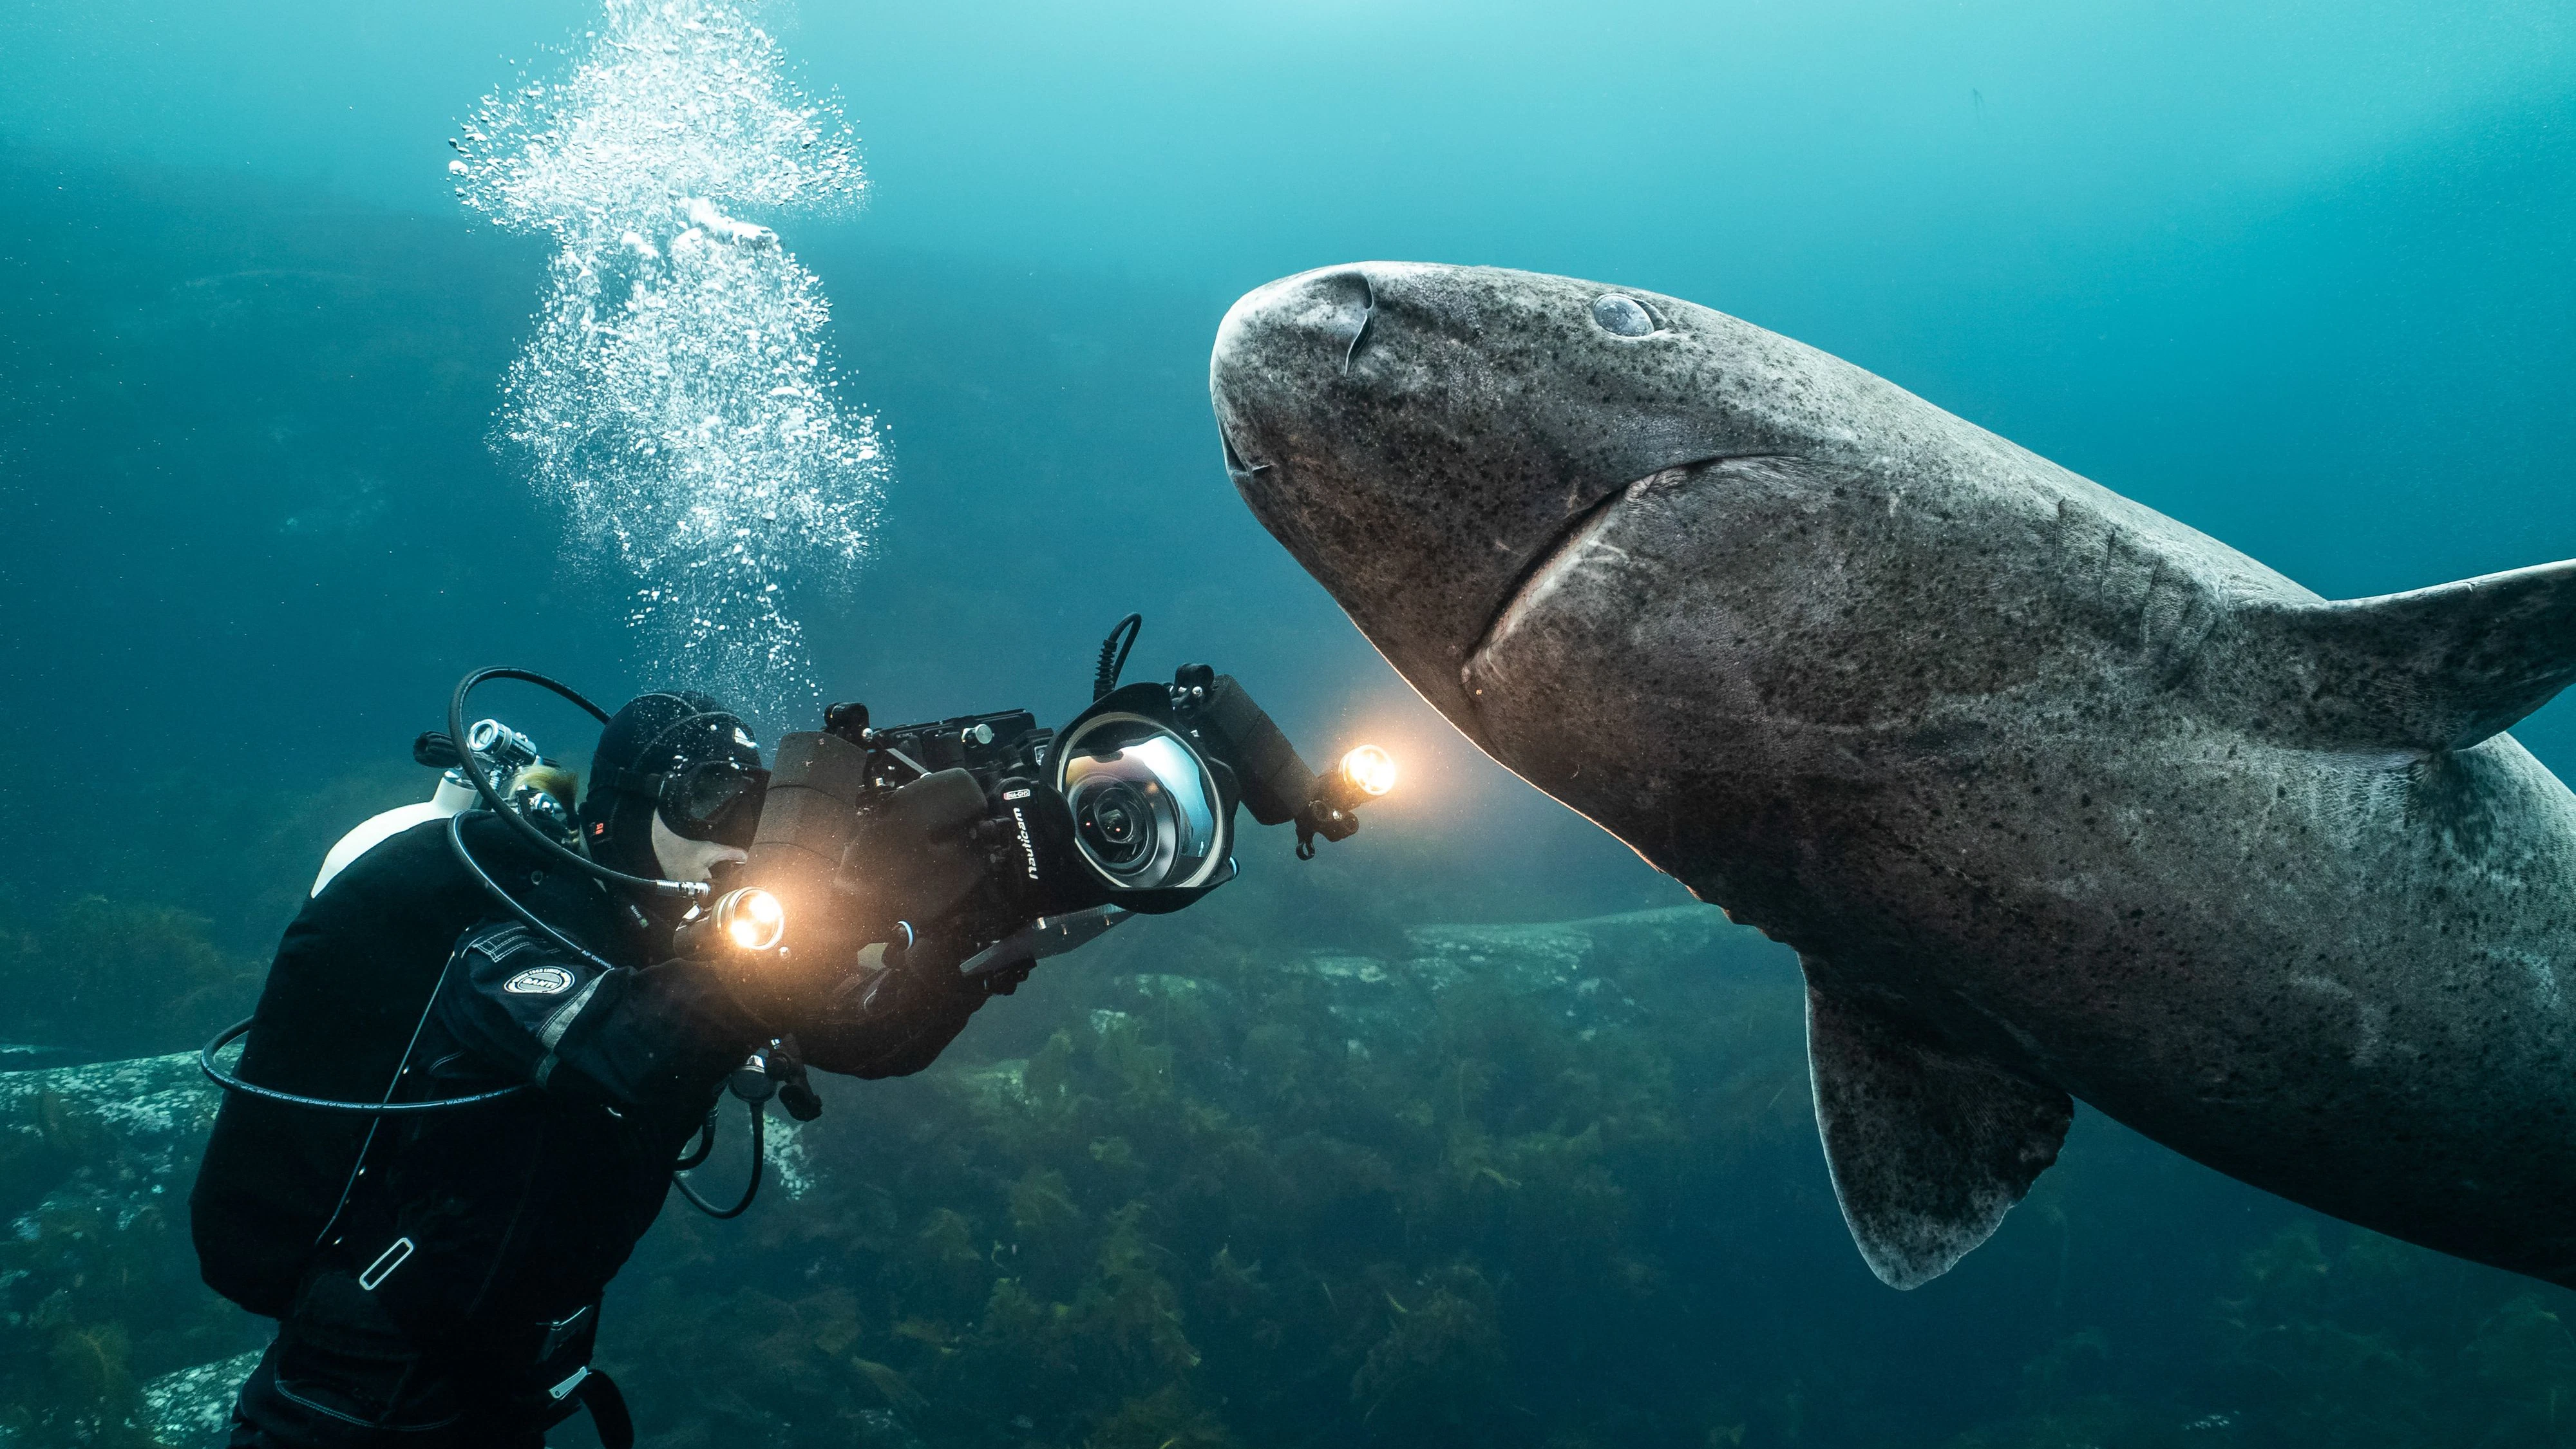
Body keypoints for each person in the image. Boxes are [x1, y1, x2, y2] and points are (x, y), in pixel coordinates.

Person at [193, 691, 1013, 1448]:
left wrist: (987, 940)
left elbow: (871, 1044)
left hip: (508, 1393)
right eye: (703, 798)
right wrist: (842, 913)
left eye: (751, 807)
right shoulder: (518, 915)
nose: (730, 836)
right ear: (623, 808)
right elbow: (628, 1053)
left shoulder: (699, 953)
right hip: (349, 1401)